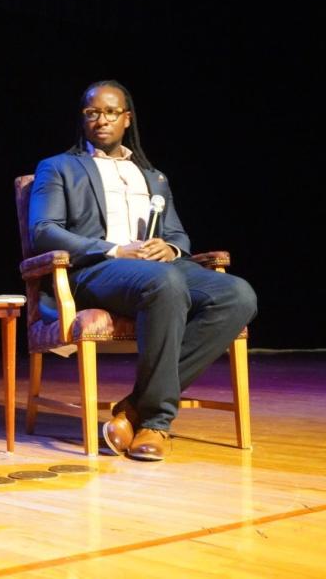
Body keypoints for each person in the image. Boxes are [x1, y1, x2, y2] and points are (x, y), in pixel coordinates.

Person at [28, 80, 257, 461]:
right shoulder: (59, 167)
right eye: (92, 113)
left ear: (127, 118)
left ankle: (134, 407)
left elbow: (178, 234)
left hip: (158, 271)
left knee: (238, 295)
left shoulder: (153, 176)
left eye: (111, 112)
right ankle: (156, 421)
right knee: (164, 283)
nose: (101, 120)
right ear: (83, 119)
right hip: (98, 270)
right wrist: (116, 248)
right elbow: (43, 232)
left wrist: (169, 247)